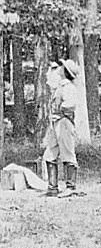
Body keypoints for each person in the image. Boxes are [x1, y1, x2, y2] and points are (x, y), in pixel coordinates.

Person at [43, 59, 80, 197]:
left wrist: (60, 109)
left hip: (64, 122)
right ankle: (52, 187)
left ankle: (70, 187)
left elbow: (70, 105)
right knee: (50, 153)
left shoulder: (69, 87)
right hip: (56, 122)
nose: (59, 69)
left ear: (65, 72)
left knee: (67, 152)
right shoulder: (60, 86)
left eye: (62, 68)